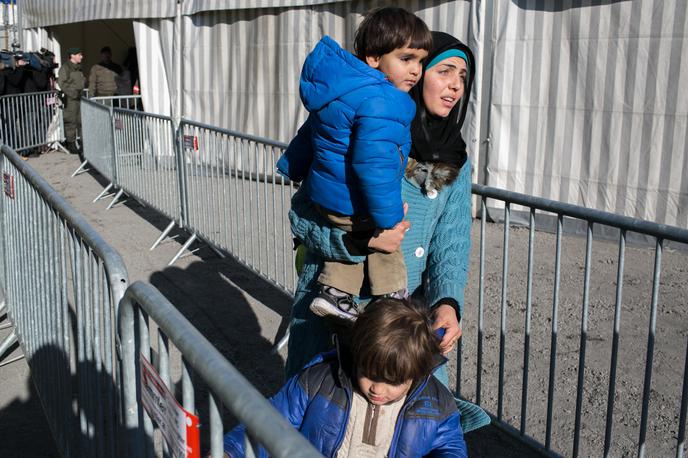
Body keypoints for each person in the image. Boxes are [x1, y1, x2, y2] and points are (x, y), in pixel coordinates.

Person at [286, 31, 491, 433]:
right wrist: (358, 241)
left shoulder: (456, 158)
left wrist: (447, 302)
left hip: (402, 322)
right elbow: (302, 219)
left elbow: (451, 242)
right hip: (335, 314)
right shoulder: (361, 129)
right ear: (414, 76)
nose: (455, 84)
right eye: (444, 70)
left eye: (463, 76)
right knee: (322, 429)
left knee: (410, 433)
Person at [276, 7, 431, 322]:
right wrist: (387, 219)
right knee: (385, 242)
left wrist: (292, 165)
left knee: (352, 228)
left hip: (326, 194)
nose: (416, 70)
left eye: (421, 61)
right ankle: (392, 297)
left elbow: (310, 134)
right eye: (406, 59)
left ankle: (336, 293)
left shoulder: (342, 90)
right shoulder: (384, 100)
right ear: (374, 59)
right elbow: (375, 166)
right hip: (349, 197)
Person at [224, 298, 467, 457]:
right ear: (358, 353)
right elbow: (270, 422)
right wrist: (229, 451)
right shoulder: (320, 382)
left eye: (393, 381)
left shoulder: (435, 404)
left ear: (416, 371)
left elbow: (449, 448)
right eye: (369, 374)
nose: (378, 390)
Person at [58, 47, 85, 158]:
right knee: (71, 121)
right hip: (71, 99)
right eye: (79, 54)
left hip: (79, 98)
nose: (81, 57)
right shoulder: (65, 68)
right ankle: (71, 144)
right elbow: (62, 83)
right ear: (72, 55)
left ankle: (83, 143)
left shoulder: (79, 68)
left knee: (81, 121)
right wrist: (73, 93)